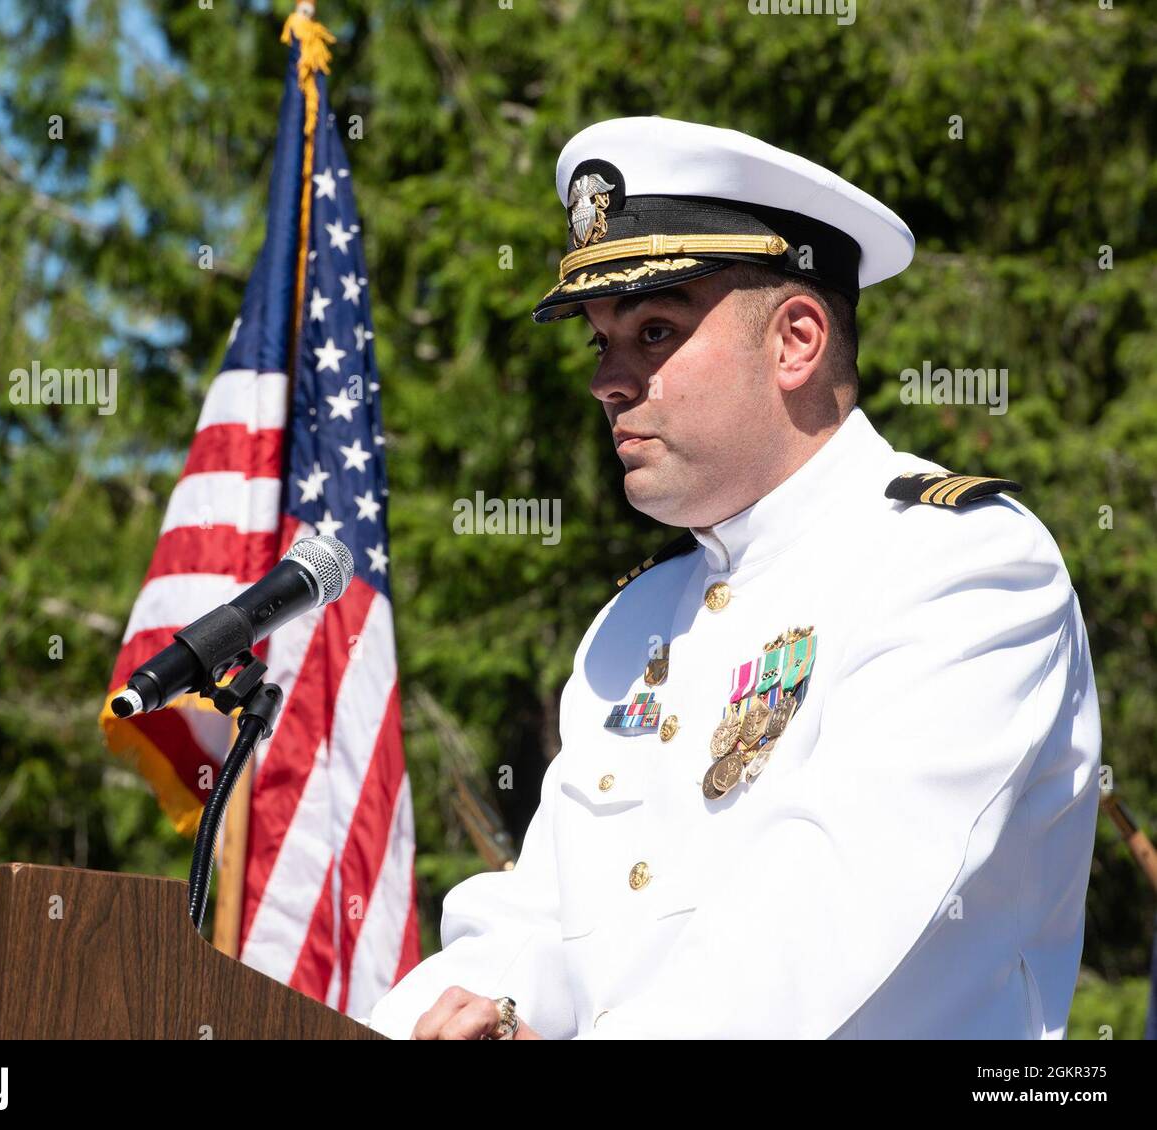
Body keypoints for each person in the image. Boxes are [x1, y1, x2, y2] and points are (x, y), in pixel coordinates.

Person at [365, 116, 1101, 1040]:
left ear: (796, 340)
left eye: (656, 330)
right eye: (600, 342)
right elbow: (544, 919)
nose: (608, 380)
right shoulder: (632, 623)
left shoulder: (965, 563)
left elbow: (819, 914)